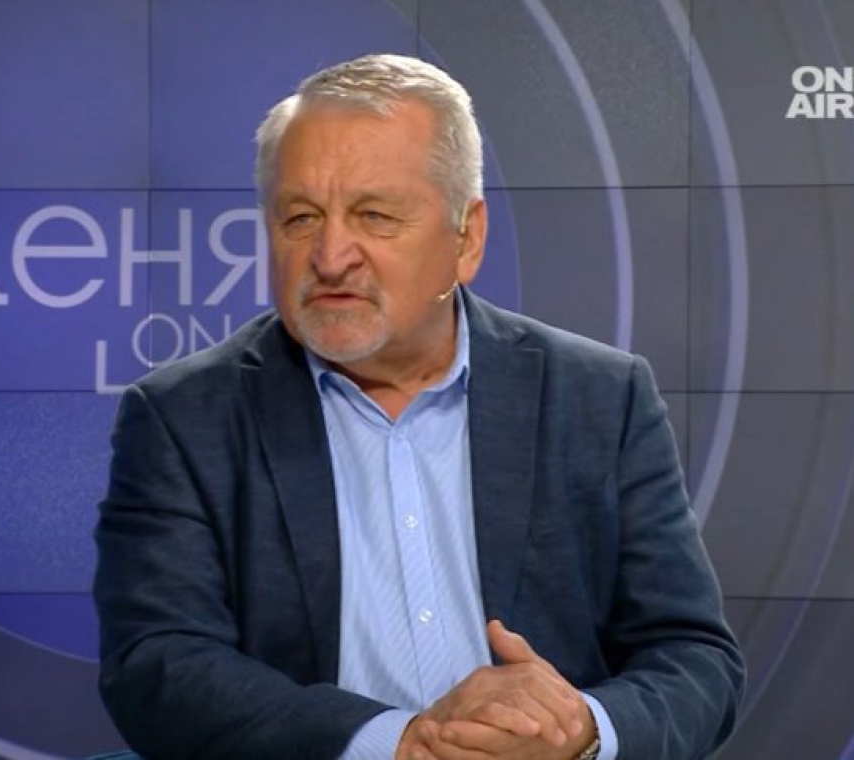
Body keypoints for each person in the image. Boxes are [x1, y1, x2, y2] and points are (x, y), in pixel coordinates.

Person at [94, 54, 744, 760]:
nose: (331, 256)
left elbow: (693, 658)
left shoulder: (598, 397)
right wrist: (396, 743)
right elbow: (159, 666)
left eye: (374, 216)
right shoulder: (185, 418)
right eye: (300, 217)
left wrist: (580, 728)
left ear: (467, 237)